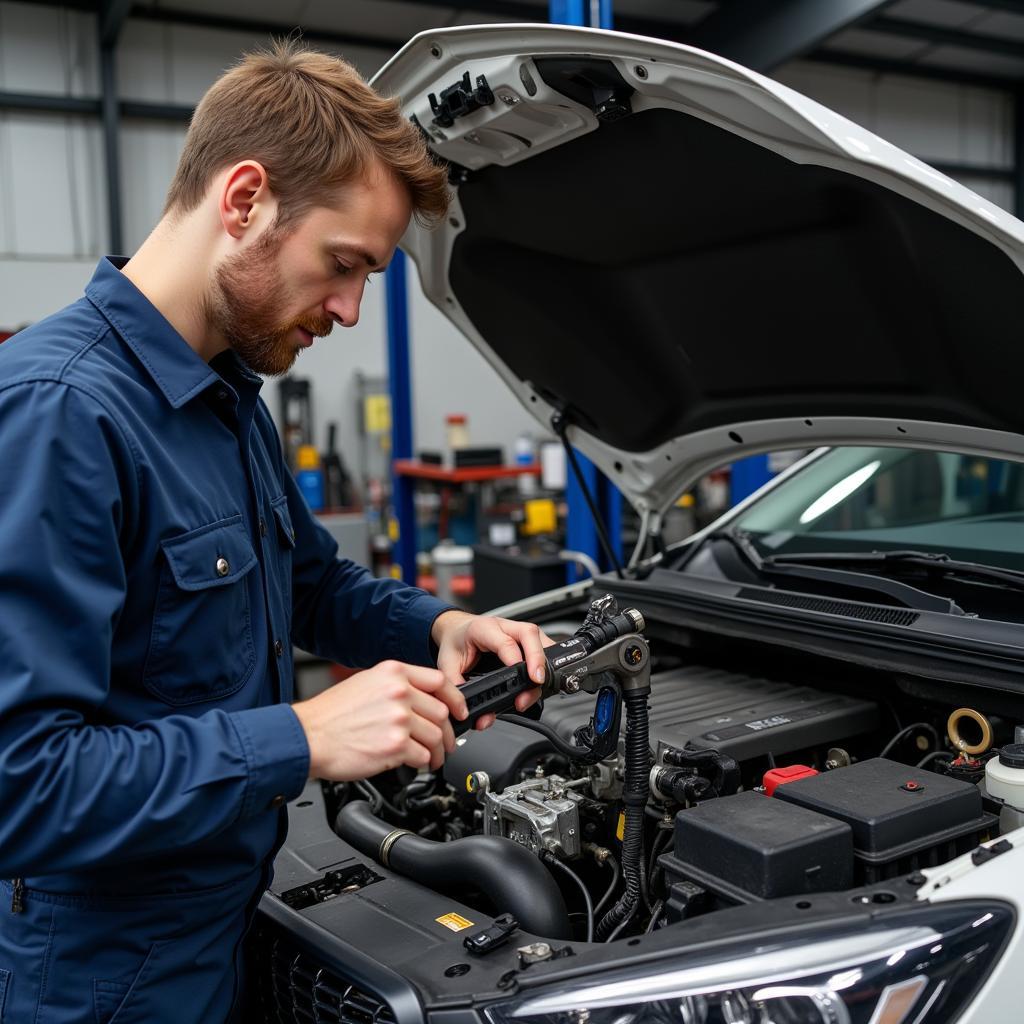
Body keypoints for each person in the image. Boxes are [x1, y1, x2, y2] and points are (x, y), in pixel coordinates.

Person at [0, 41, 549, 1023]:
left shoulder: (225, 397)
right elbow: (22, 785)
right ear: (244, 198)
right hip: (106, 976)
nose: (346, 308)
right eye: (343, 266)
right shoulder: (58, 414)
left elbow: (309, 586)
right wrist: (297, 736)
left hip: (226, 920)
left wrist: (435, 628)